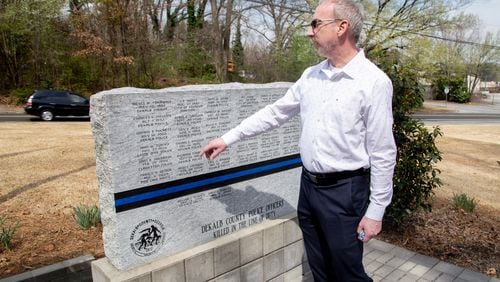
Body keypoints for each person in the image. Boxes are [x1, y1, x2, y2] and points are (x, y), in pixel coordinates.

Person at [200, 0, 396, 280]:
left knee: (348, 273)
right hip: (309, 188)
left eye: (316, 23)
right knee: (320, 269)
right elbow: (275, 113)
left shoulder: (373, 82)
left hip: (345, 194)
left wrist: (376, 211)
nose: (309, 31)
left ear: (342, 27)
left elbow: (383, 153)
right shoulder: (311, 76)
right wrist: (228, 138)